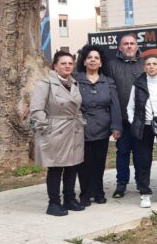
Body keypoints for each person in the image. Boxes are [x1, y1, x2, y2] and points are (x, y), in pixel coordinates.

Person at [29, 51, 85, 216]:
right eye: (63, 63)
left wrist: (81, 123)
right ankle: (53, 203)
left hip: (74, 130)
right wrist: (47, 129)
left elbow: (77, 107)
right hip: (55, 130)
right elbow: (36, 110)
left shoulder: (74, 83)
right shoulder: (45, 84)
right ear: (55, 66)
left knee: (72, 166)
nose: (67, 66)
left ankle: (69, 198)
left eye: (70, 63)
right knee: (55, 168)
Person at [74, 46, 122, 207]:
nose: (93, 60)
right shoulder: (75, 80)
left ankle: (99, 192)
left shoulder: (108, 82)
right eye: (89, 57)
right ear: (85, 61)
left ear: (101, 63)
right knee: (84, 162)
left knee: (99, 162)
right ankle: (85, 193)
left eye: (96, 58)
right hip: (81, 126)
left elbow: (115, 105)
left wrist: (116, 126)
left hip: (102, 126)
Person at [127, 54, 157, 208]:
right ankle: (145, 193)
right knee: (143, 160)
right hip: (144, 125)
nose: (152, 66)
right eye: (148, 64)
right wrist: (133, 121)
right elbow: (131, 106)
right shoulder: (138, 83)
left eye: (155, 63)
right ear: (144, 67)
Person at [103, 33, 144, 199]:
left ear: (137, 46)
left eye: (132, 43)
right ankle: (121, 184)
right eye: (125, 44)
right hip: (122, 119)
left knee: (141, 153)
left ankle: (142, 182)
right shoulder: (112, 66)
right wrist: (115, 123)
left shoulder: (144, 65)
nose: (129, 46)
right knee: (123, 153)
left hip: (141, 120)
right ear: (120, 47)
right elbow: (110, 95)